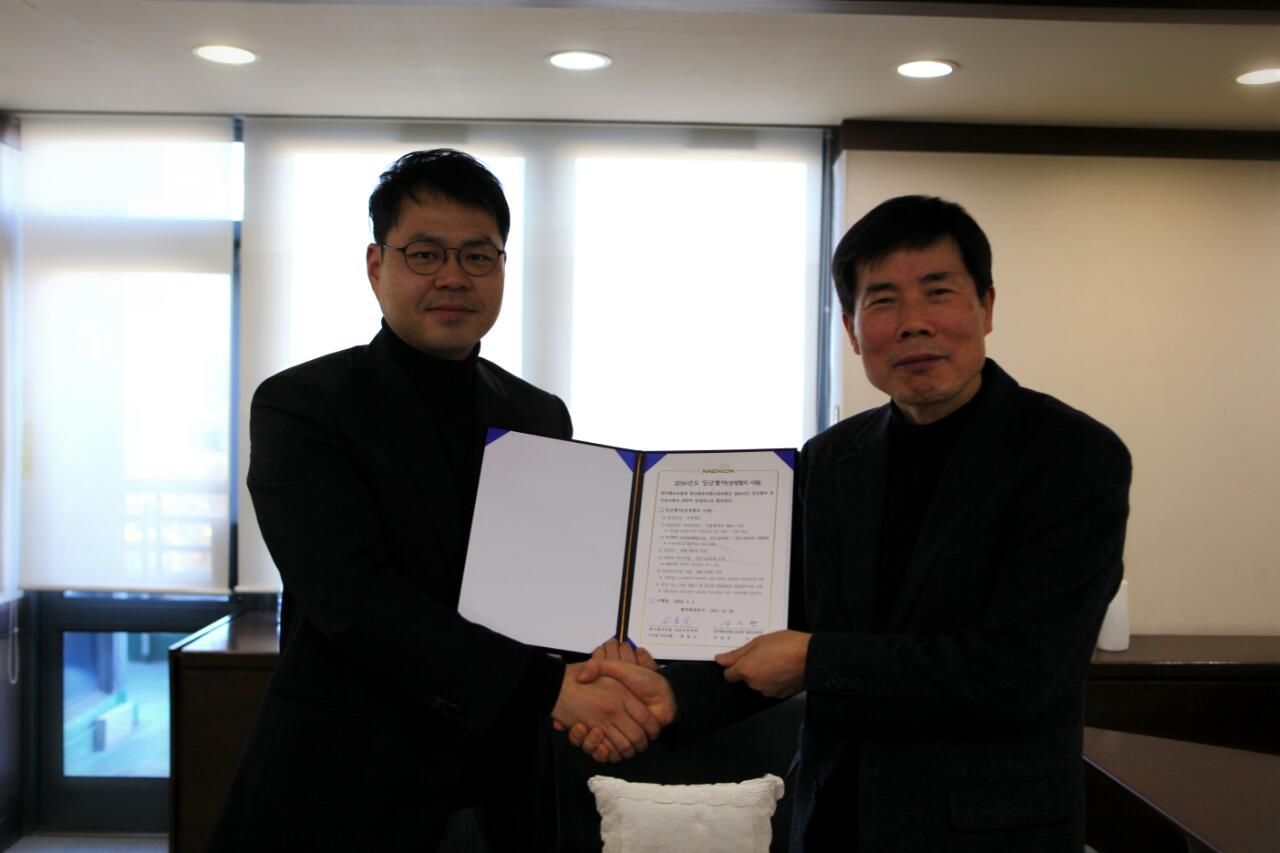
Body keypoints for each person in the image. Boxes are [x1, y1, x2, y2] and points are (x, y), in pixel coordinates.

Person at [577, 195, 1132, 852]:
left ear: (986, 306)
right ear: (851, 328)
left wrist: (815, 657)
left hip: (988, 830)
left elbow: (1019, 670)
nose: (914, 323)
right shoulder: (832, 457)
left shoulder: (1074, 456)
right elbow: (782, 622)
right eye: (883, 301)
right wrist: (670, 697)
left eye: (939, 292)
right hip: (833, 820)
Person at [209, 149, 659, 853]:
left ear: (502, 267)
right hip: (350, 778)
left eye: (478, 256)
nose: (453, 276)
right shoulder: (303, 404)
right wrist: (552, 689)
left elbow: (556, 582)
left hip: (507, 778)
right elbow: (352, 597)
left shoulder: (539, 413)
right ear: (376, 265)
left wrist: (615, 658)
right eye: (425, 254)